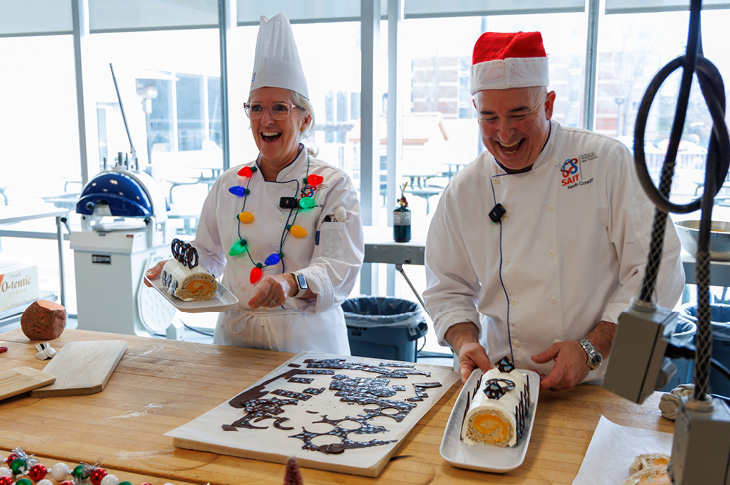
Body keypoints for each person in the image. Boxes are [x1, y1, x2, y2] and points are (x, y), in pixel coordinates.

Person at [423, 31, 685, 391]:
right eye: (489, 117)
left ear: (548, 105)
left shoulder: (604, 162)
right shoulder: (465, 190)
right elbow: (447, 288)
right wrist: (465, 341)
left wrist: (590, 349)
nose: (504, 133)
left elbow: (660, 270)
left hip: (600, 383)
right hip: (504, 386)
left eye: (519, 113)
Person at [146, 14, 364, 354]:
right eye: (256, 108)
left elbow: (339, 269)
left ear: (304, 119)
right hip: (237, 341)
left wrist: (291, 282)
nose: (266, 120)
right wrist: (177, 270)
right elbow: (208, 253)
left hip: (307, 343)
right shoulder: (229, 183)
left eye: (280, 108)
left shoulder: (332, 186)